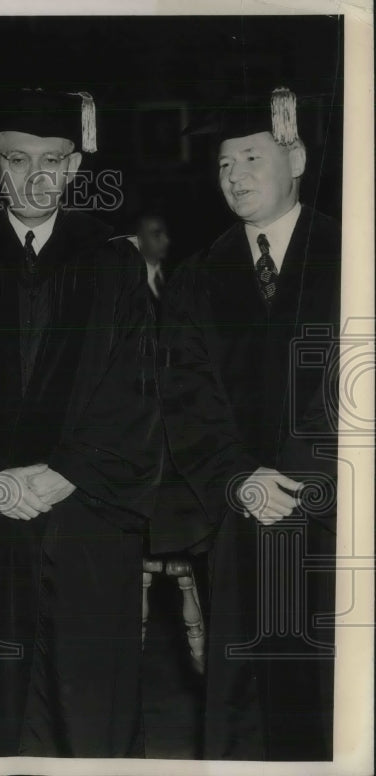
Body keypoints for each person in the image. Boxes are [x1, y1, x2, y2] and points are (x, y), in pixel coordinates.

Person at [0, 89, 162, 757]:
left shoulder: (114, 262)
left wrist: (65, 471)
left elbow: (137, 388)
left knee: (89, 700)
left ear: (75, 168)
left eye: (53, 161)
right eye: (19, 160)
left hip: (85, 515)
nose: (36, 176)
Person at [158, 87, 340, 760]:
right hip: (241, 525)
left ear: (294, 156)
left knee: (331, 704)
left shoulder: (353, 256)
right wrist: (240, 479)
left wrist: (303, 480)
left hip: (336, 523)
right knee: (245, 714)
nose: (234, 176)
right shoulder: (199, 277)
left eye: (252, 158)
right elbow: (185, 397)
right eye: (224, 164)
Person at [131, 210, 170, 298]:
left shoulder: (176, 273)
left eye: (166, 234)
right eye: (157, 235)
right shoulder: (128, 284)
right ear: (138, 239)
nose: (166, 240)